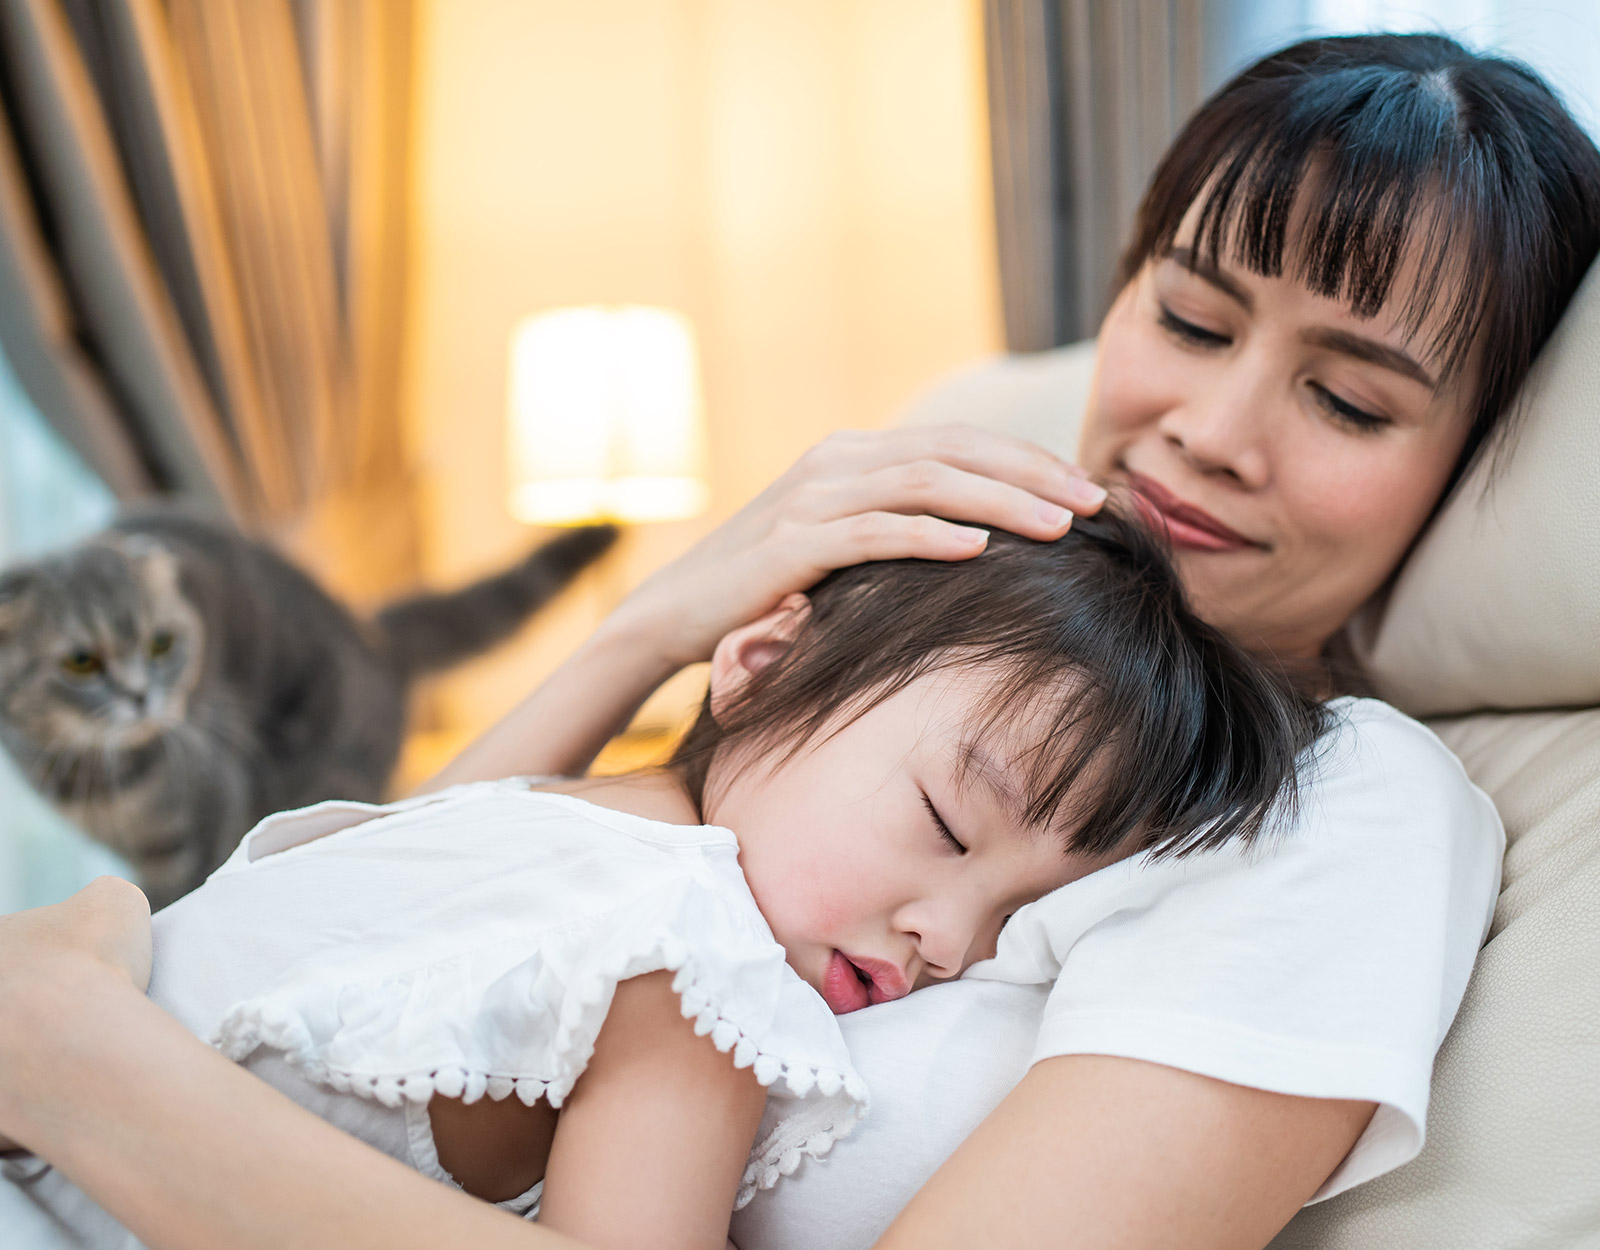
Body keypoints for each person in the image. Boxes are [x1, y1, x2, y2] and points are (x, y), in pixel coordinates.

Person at [0, 30, 1590, 1250]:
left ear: (1470, 467)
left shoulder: (1340, 802)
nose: (1214, 429)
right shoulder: (936, 618)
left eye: (1350, 397)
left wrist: (86, 1066)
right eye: (1187, 318)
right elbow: (431, 928)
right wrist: (653, 628)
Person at [1, 516, 1324, 1250]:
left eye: (1013, 920)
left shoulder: (529, 809)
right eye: (944, 820)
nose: (947, 938)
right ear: (752, 665)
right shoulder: (703, 957)